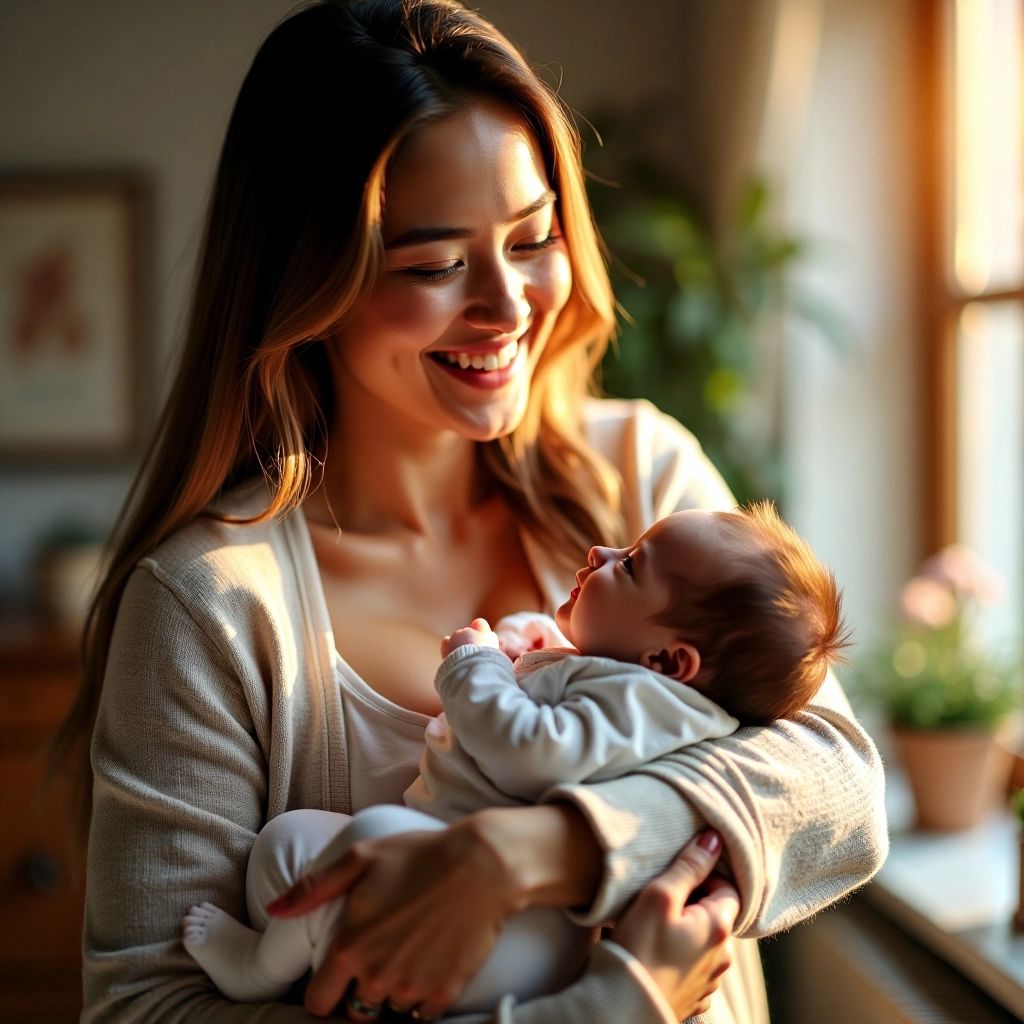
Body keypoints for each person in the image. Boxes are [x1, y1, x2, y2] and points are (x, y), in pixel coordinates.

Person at [50, 1, 888, 1022]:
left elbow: (840, 788)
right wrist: (613, 1004)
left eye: (533, 238)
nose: (508, 305)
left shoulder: (640, 476)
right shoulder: (208, 605)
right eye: (436, 265)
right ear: (306, 285)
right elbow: (146, 1006)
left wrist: (528, 851)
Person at [180, 501, 852, 1013]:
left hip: (521, 930)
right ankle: (283, 960)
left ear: (670, 661)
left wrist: (475, 666)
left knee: (370, 842)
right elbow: (570, 700)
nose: (600, 549)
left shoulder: (652, 701)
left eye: (631, 563)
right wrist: (532, 646)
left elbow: (534, 751)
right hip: (458, 879)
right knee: (290, 844)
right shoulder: (631, 681)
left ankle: (260, 972)